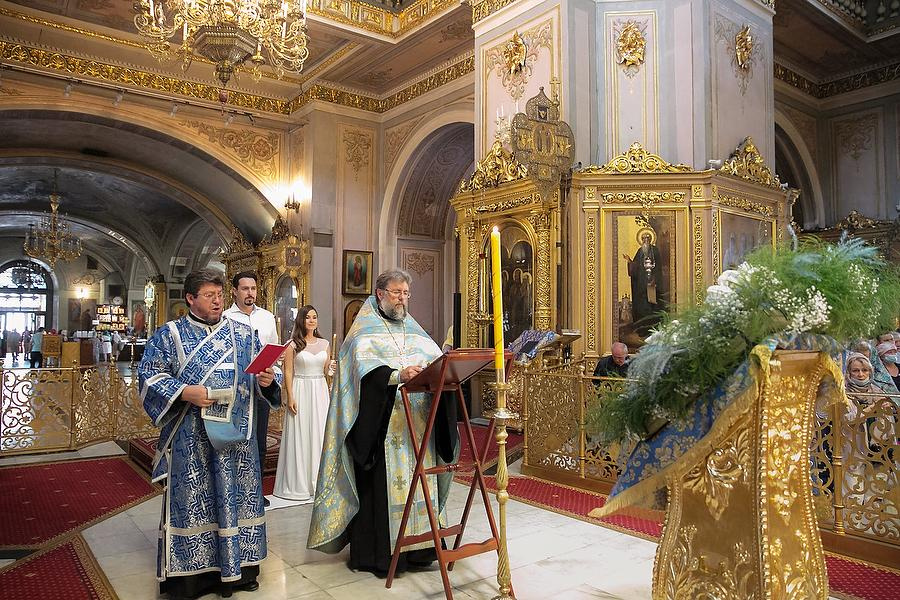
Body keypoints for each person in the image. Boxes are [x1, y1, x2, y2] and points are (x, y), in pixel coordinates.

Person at [138, 268, 281, 600]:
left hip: (236, 439)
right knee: (194, 503)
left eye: (219, 295)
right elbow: (148, 377)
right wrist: (184, 391)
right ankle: (192, 578)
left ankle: (241, 570)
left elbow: (260, 377)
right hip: (193, 438)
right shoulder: (169, 335)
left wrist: (267, 382)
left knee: (238, 500)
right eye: (209, 296)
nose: (217, 301)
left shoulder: (244, 333)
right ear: (190, 298)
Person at [308, 269, 458, 576]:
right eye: (397, 293)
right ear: (380, 294)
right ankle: (382, 554)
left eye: (406, 293)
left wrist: (439, 368)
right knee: (383, 488)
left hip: (417, 427)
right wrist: (394, 376)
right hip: (382, 427)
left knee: (421, 485)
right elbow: (358, 372)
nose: (402, 299)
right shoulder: (362, 331)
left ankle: (420, 549)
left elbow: (433, 358)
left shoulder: (414, 329)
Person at [223, 271, 279, 507]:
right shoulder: (225, 317)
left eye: (253, 289)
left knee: (259, 439)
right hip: (236, 390)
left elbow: (274, 350)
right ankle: (232, 491)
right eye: (245, 289)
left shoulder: (267, 317)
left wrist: (271, 370)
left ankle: (255, 491)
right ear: (234, 291)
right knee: (235, 439)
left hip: (261, 387)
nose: (250, 293)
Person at [273, 305, 336, 503]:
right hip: (300, 388)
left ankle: (318, 481)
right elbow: (288, 372)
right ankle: (298, 484)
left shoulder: (326, 343)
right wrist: (290, 396)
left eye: (314, 317)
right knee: (300, 434)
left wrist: (332, 369)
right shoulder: (292, 345)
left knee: (318, 433)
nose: (311, 320)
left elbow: (327, 371)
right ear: (301, 320)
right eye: (307, 317)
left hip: (319, 390)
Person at [623, 230, 663, 335]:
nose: (645, 241)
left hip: (652, 284)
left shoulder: (655, 251)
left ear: (650, 239)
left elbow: (658, 267)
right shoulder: (640, 251)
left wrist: (654, 279)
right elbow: (636, 266)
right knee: (641, 306)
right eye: (644, 239)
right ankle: (642, 330)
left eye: (647, 238)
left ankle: (653, 330)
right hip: (641, 284)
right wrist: (629, 261)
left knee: (651, 306)